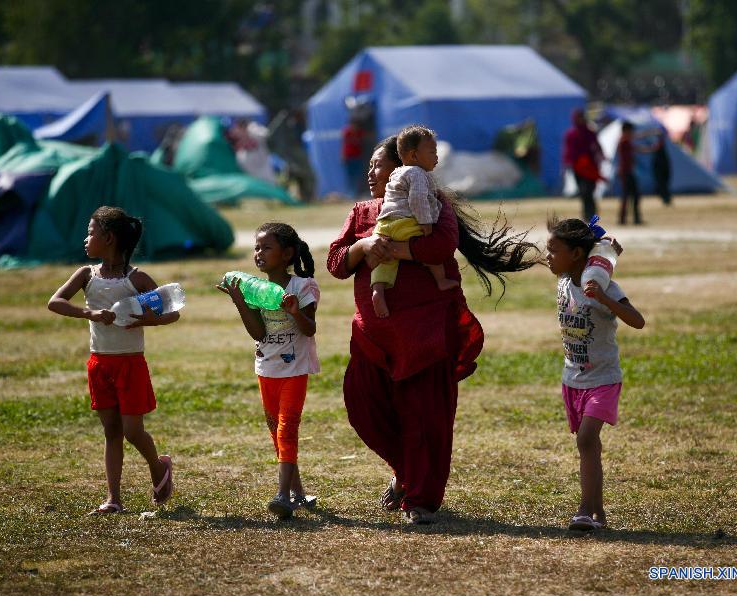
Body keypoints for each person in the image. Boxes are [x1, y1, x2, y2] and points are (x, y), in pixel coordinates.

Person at [327, 136, 538, 524]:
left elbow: (441, 246)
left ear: (405, 168)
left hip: (426, 332)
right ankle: (408, 472)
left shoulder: (434, 206)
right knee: (364, 408)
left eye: (378, 165)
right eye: (370, 166)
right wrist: (364, 246)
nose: (371, 172)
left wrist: (393, 251)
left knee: (426, 419)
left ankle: (421, 500)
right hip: (374, 336)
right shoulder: (362, 213)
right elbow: (337, 262)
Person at [47, 206, 178, 515]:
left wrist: (146, 321)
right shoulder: (86, 275)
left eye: (91, 233)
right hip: (100, 364)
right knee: (111, 431)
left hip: (130, 364)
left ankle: (159, 468)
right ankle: (113, 498)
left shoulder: (137, 279)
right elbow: (55, 302)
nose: (86, 239)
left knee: (132, 431)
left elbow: (173, 311)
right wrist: (88, 313)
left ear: (108, 238)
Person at [543, 217, 645, 530]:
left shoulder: (603, 287)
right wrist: (606, 248)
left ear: (575, 254)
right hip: (572, 379)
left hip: (603, 380)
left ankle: (585, 510)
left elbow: (637, 320)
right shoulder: (565, 279)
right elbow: (601, 253)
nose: (547, 256)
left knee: (587, 439)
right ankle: (598, 513)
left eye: (553, 250)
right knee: (589, 445)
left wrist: (604, 298)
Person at [218, 223, 319, 519]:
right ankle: (299, 493)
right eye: (256, 248)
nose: (259, 253)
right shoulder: (257, 292)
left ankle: (282, 495)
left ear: (287, 254)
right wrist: (238, 299)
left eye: (266, 247)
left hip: (294, 370)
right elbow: (259, 333)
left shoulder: (303, 287)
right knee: (276, 432)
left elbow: (309, 329)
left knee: (287, 430)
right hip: (266, 368)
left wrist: (294, 311)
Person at [371, 125, 459, 318]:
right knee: (430, 251)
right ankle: (441, 280)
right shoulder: (418, 174)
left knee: (385, 261)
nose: (436, 157)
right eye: (432, 152)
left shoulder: (397, 173)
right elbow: (417, 199)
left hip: (385, 224)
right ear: (414, 156)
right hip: (406, 222)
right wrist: (426, 224)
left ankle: (378, 290)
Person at [562, 109, 604, 222]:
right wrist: (566, 163)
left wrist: (601, 156)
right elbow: (568, 151)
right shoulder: (571, 134)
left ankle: (591, 214)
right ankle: (586, 215)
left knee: (588, 190)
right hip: (577, 167)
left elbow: (597, 145)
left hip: (589, 166)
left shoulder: (589, 132)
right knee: (582, 191)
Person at [616, 122, 642, 225]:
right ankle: (625, 219)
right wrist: (651, 132)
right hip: (625, 172)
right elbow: (636, 139)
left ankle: (629, 219)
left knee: (631, 196)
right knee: (628, 196)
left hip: (627, 172)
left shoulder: (626, 140)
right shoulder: (623, 140)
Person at [651, 131, 672, 206]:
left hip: (661, 170)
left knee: (663, 185)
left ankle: (666, 199)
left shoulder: (659, 147)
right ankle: (666, 199)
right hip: (661, 170)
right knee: (662, 185)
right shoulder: (660, 147)